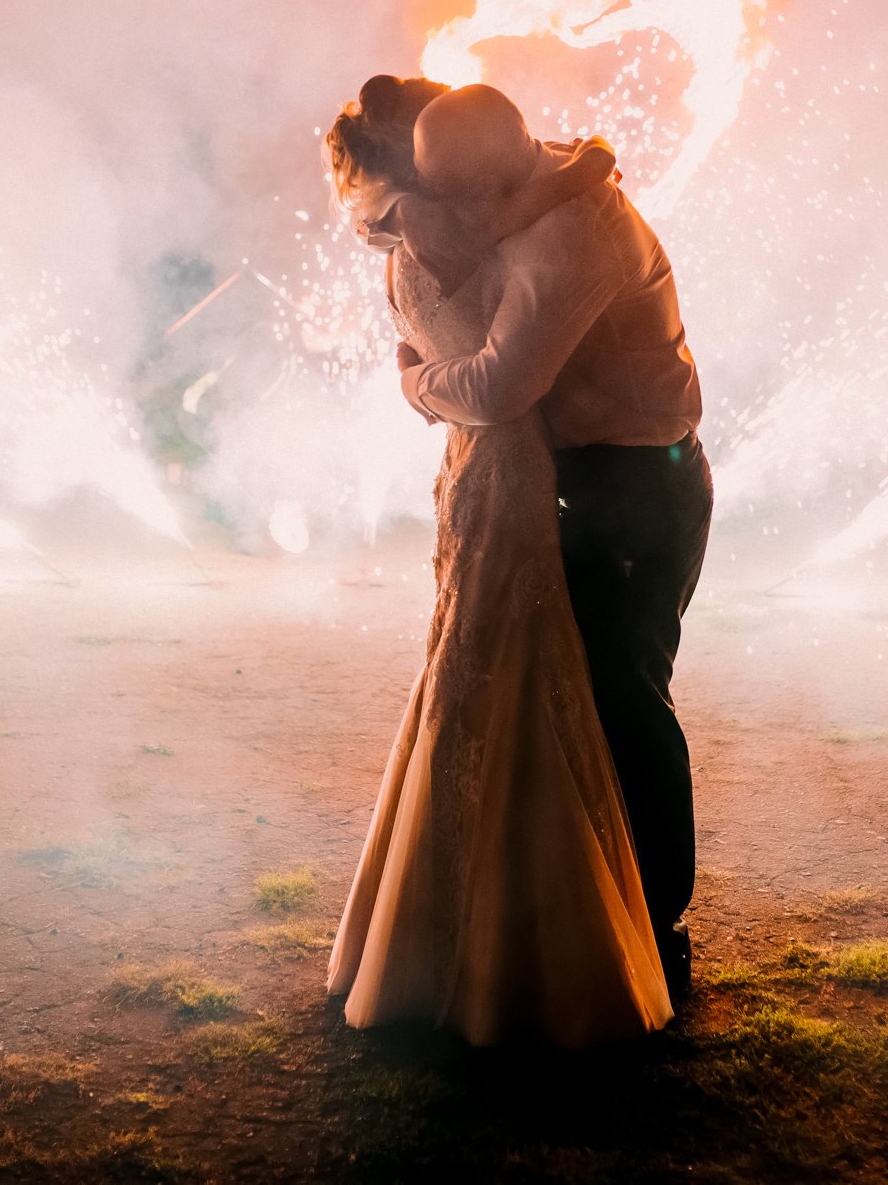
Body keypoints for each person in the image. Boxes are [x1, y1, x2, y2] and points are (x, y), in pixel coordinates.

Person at [323, 75, 671, 1047]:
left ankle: (639, 913)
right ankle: (576, 924)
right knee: (546, 681)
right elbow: (502, 379)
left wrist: (414, 387)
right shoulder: (467, 225)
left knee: (580, 685)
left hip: (575, 469)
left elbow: (501, 379)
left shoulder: (517, 222)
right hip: (524, 467)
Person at [399, 84, 710, 1009]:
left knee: (623, 702)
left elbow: (499, 387)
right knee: (577, 699)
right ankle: (593, 910)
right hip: (591, 481)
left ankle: (656, 929)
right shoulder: (539, 193)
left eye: (456, 195)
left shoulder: (571, 235)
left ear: (492, 184)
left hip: (633, 487)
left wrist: (419, 386)